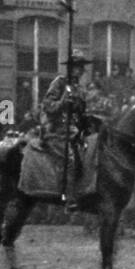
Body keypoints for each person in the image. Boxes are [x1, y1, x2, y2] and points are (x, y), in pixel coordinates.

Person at [40, 55, 98, 213]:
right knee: (70, 160)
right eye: (78, 66)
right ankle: (68, 198)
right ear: (71, 68)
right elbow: (48, 105)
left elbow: (81, 114)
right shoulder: (59, 83)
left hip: (75, 132)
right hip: (57, 130)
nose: (81, 70)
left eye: (82, 67)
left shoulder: (79, 89)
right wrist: (62, 103)